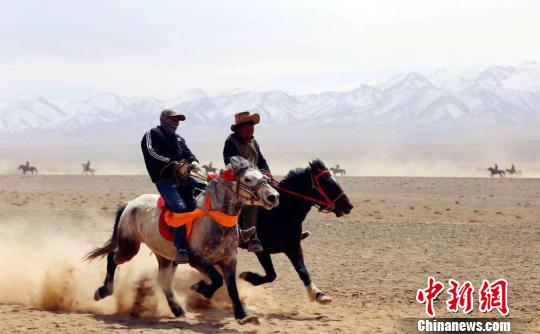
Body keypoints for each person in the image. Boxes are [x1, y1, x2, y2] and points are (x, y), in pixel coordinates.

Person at [141, 109, 202, 264]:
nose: (176, 122)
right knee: (179, 208)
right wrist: (173, 164)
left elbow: (188, 153)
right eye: (173, 119)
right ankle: (181, 248)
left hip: (183, 178)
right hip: (165, 180)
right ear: (163, 119)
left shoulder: (179, 139)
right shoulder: (152, 134)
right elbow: (152, 152)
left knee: (208, 191)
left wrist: (194, 162)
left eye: (178, 120)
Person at [223, 111, 270, 252]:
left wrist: (266, 173)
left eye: (252, 125)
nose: (250, 128)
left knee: (276, 192)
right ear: (239, 128)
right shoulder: (231, 141)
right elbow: (232, 162)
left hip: (256, 179)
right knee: (252, 200)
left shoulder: (253, 141)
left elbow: (261, 161)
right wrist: (251, 174)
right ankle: (252, 237)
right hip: (239, 180)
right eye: (247, 125)